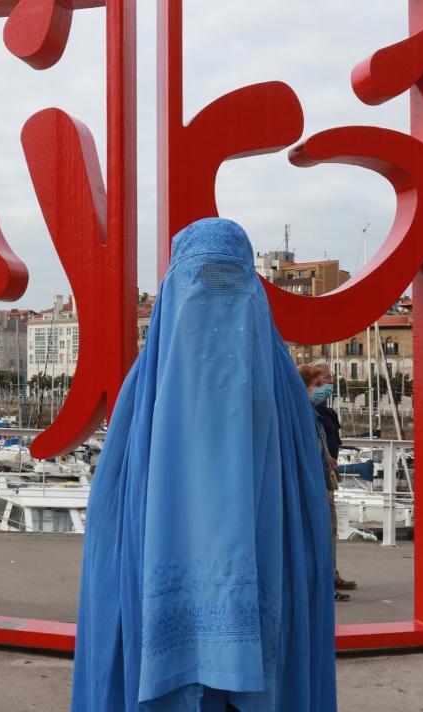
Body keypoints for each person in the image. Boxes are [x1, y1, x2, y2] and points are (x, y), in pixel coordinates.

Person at [71, 218, 337, 712]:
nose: (215, 312)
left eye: (230, 286)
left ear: (255, 296)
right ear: (175, 295)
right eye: (200, 286)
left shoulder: (286, 403)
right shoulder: (143, 404)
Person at [308, 359, 357, 593]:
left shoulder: (325, 413)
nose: (329, 385)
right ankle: (325, 577)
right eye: (324, 380)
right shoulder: (308, 413)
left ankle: (331, 572)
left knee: (330, 528)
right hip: (316, 480)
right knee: (323, 528)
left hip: (327, 476)